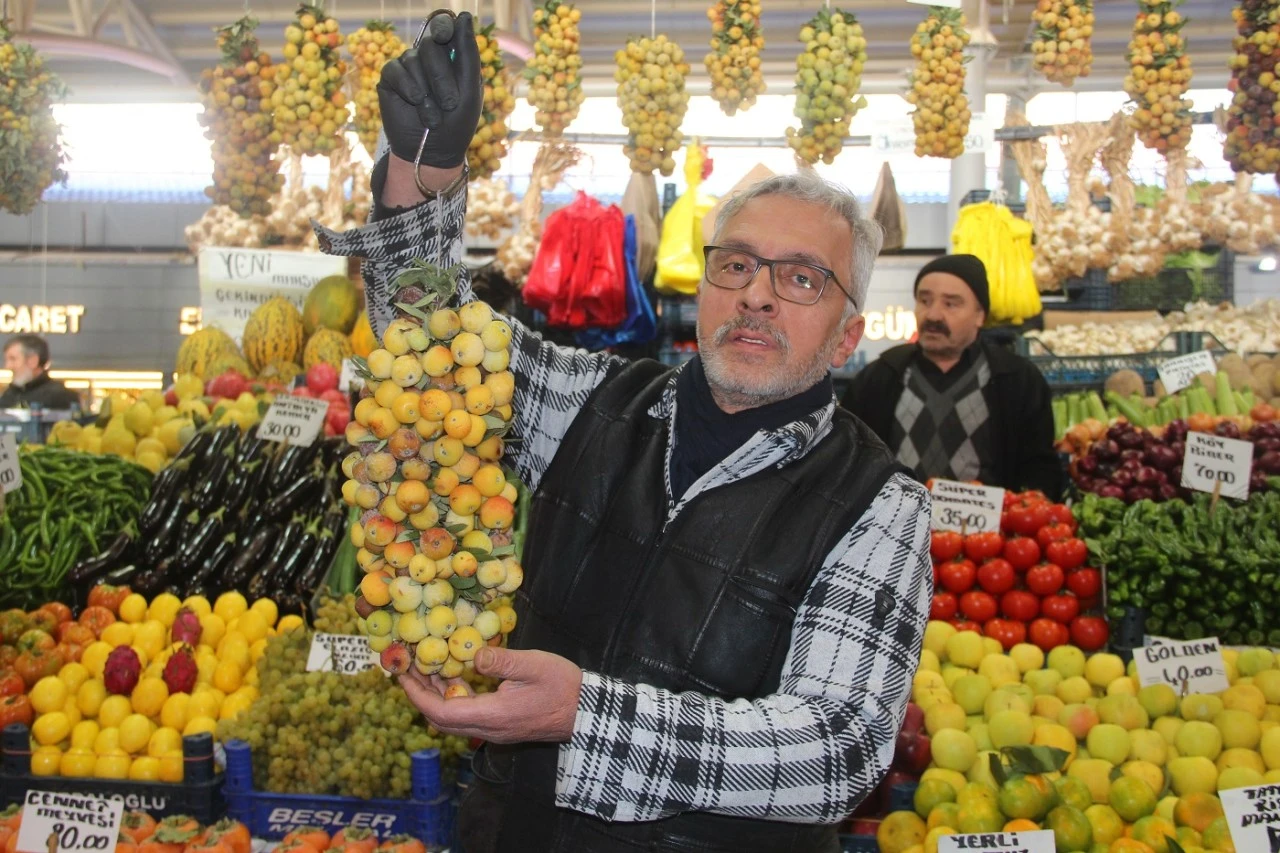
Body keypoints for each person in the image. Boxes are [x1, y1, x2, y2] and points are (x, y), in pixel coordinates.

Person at [315, 13, 931, 852]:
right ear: (707, 286)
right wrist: (423, 179)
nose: (756, 295)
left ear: (848, 336)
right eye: (737, 263)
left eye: (800, 278)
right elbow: (433, 350)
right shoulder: (598, 396)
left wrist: (585, 715)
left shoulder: (877, 502)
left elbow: (839, 748)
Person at [840, 254, 1061, 498]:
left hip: (987, 533)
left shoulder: (1018, 380)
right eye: (924, 300)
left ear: (979, 315)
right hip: (893, 530)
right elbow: (849, 461)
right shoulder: (879, 377)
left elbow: (1040, 467)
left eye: (951, 304)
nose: (933, 315)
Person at [0, 334, 80, 410]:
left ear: (33, 361)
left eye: (13, 359)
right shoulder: (9, 394)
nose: (8, 366)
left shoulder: (60, 396)